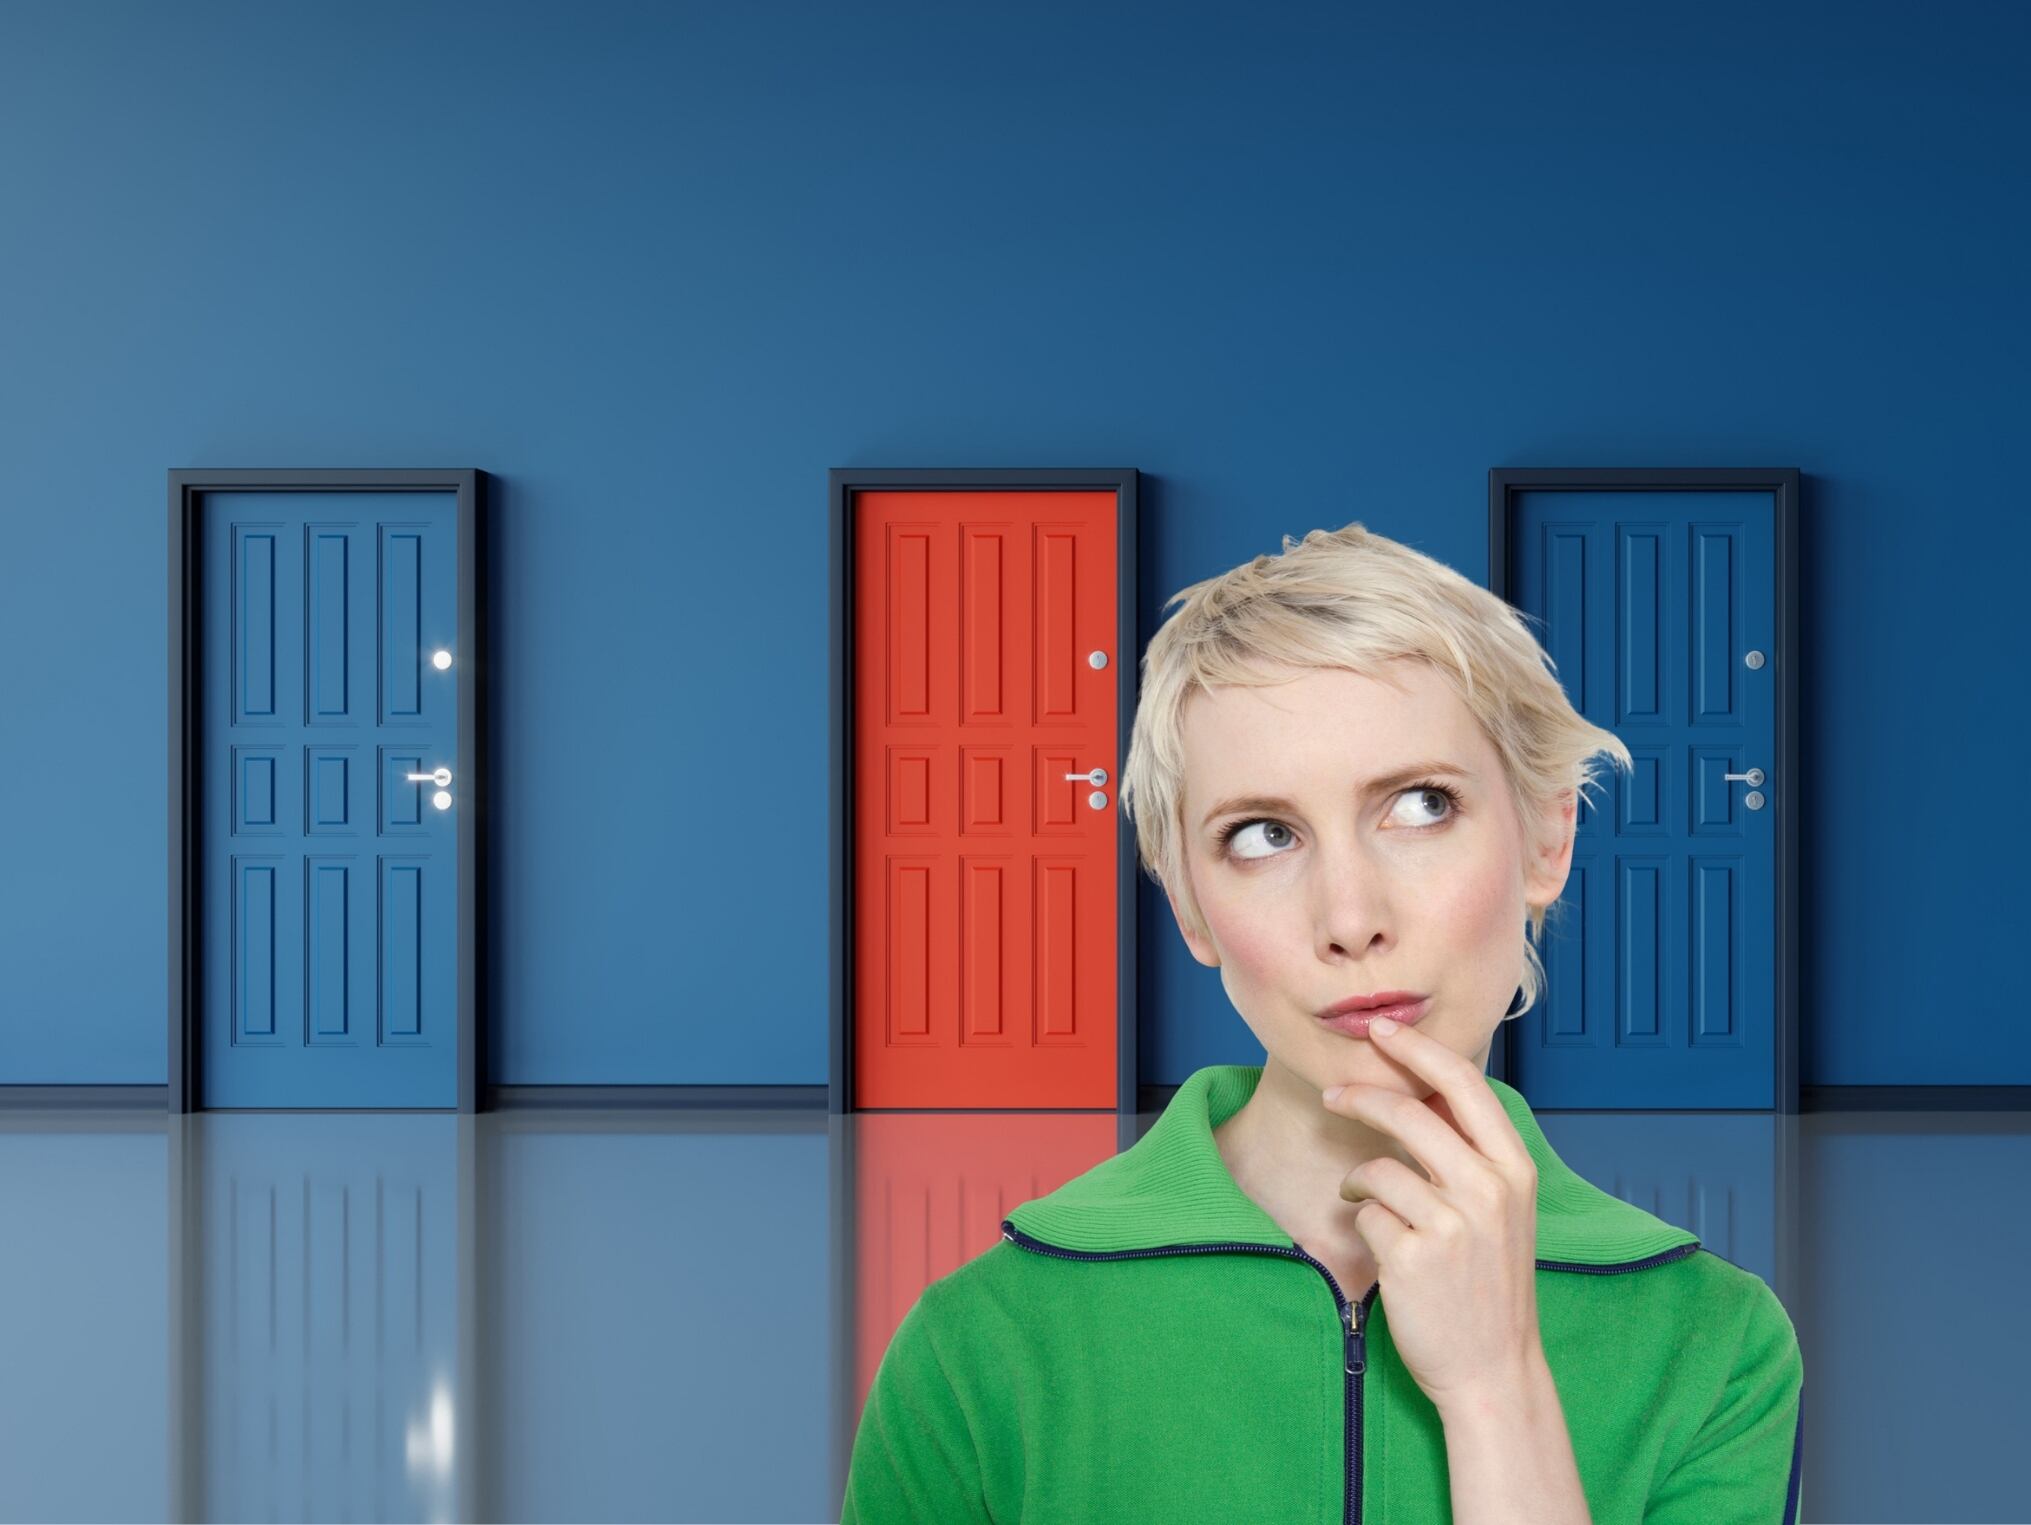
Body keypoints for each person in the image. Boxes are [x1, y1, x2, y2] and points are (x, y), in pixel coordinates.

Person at [840, 521, 1804, 1524]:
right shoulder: (982, 1343)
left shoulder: (1717, 1347)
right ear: (1190, 908)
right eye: (1262, 836)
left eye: (1423, 804)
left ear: (1547, 837)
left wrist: (1496, 1388)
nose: (1350, 920)